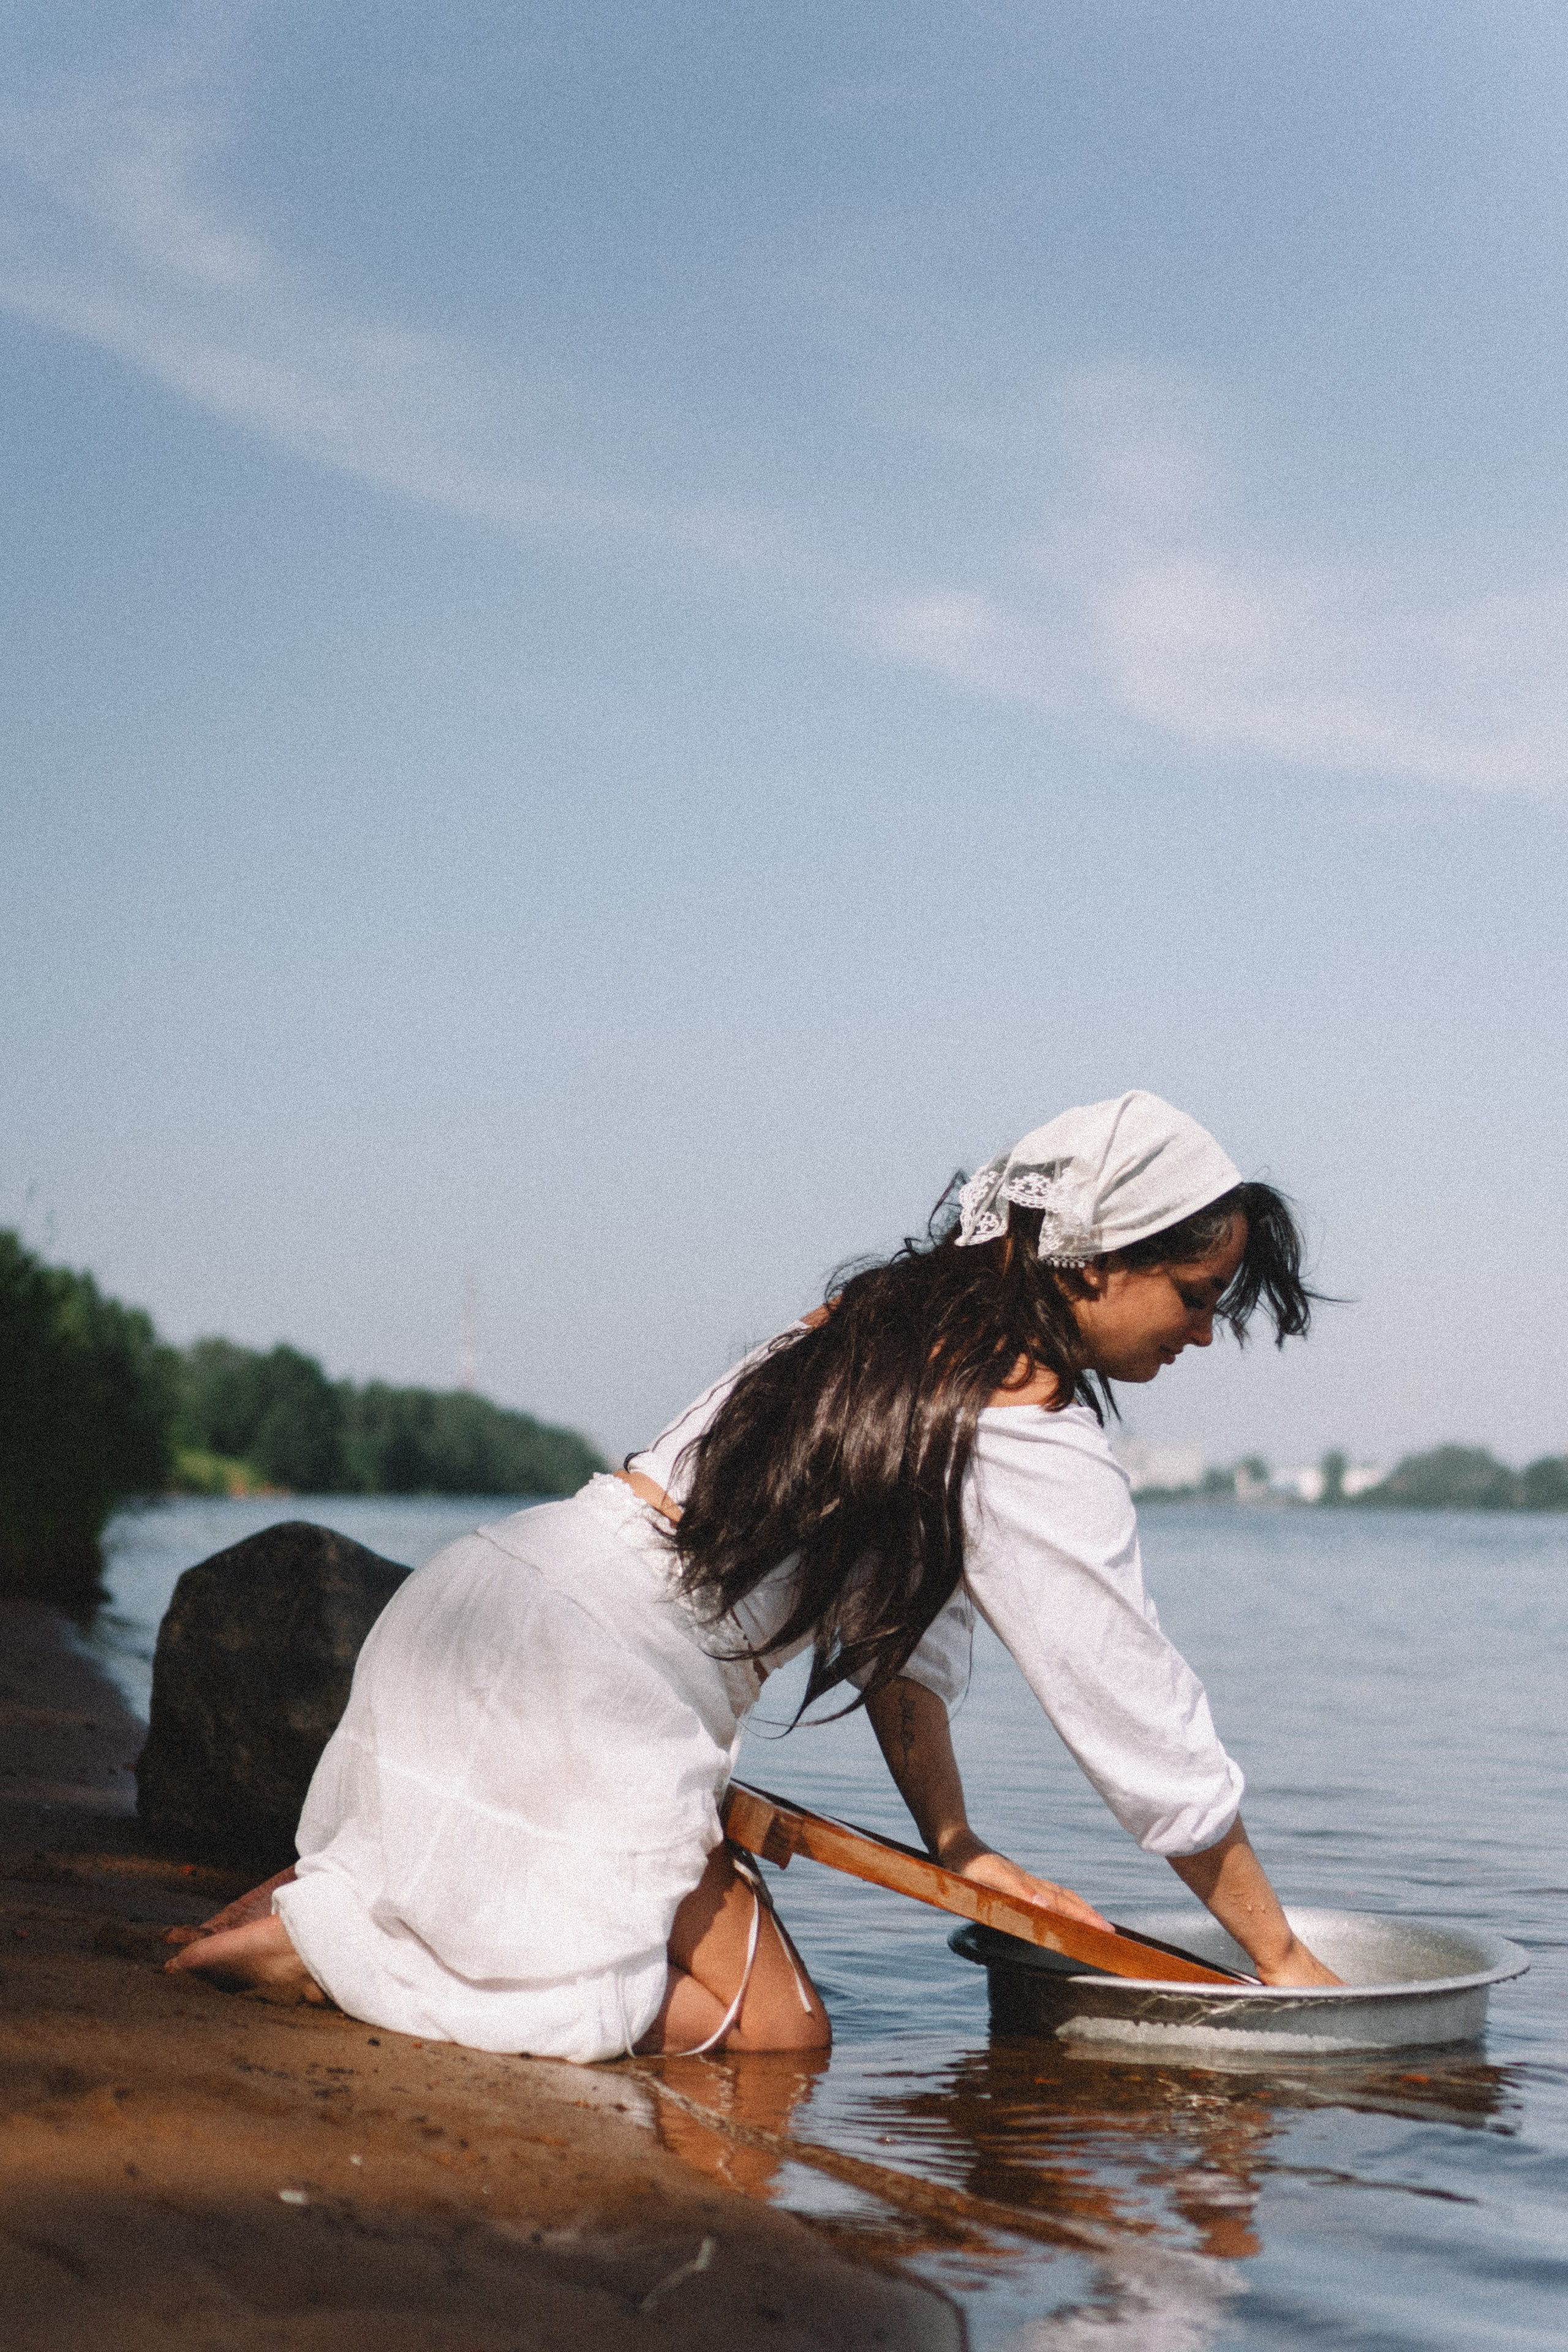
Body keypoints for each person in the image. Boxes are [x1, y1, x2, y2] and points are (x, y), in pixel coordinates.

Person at [170, 1090, 1340, 2056]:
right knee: (777, 2044)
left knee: (647, 1967)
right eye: (1196, 1297)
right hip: (595, 1686)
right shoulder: (1028, 1425)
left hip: (481, 1596)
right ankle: (342, 1954)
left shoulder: (881, 1325)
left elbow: (899, 1640)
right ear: (1092, 1264)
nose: (1202, 1334)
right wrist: (1279, 1959)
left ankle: (347, 1916)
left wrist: (956, 1842)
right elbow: (1137, 1719)